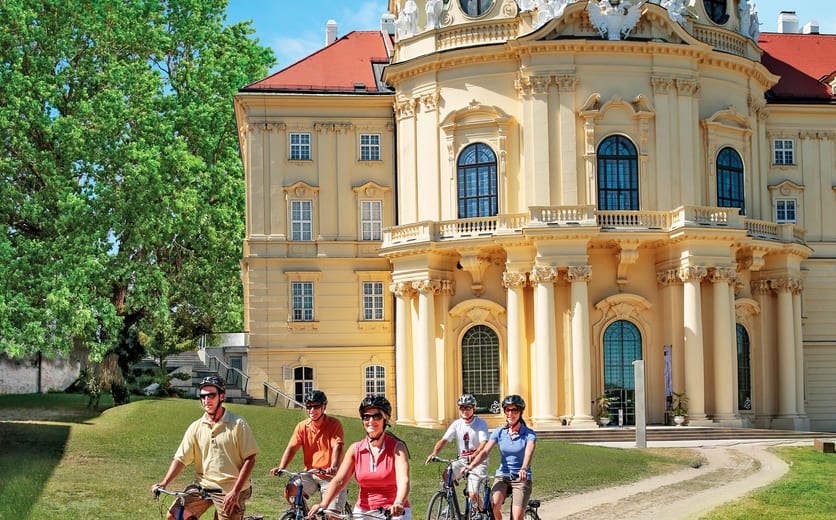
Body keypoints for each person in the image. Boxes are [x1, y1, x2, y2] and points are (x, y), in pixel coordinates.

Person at [152, 375, 259, 520]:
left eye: (211, 395)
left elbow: (250, 459)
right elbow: (181, 459)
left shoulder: (237, 424)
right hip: (203, 486)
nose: (206, 400)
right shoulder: (196, 427)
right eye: (203, 396)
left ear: (221, 396)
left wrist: (235, 491)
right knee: (173, 516)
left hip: (231, 487)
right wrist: (164, 482)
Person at [309, 395, 411, 520]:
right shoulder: (356, 449)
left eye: (377, 416)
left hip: (393, 511)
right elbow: (339, 480)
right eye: (366, 416)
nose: (371, 420)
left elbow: (403, 480)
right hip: (363, 511)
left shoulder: (397, 448)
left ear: (385, 419)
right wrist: (323, 504)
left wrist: (399, 502)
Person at [270, 390, 347, 512]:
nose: (312, 410)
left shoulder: (334, 424)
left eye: (316, 406)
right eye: (309, 406)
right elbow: (292, 448)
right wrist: (281, 466)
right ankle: (309, 515)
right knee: (291, 490)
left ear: (324, 407)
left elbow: (337, 447)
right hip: (311, 473)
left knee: (332, 515)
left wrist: (333, 466)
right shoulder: (302, 426)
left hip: (332, 476)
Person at [466, 395, 536, 520]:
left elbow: (529, 452)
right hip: (502, 476)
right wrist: (471, 466)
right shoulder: (500, 432)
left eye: (514, 410)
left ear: (520, 412)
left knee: (516, 517)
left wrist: (524, 468)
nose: (510, 413)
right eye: (507, 410)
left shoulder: (529, 434)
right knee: (492, 506)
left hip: (521, 478)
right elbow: (485, 451)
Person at [425, 394, 489, 506]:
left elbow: (484, 442)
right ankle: (452, 507)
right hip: (462, 460)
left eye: (468, 407)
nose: (465, 410)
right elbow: (443, 440)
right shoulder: (457, 424)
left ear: (474, 408)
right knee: (446, 474)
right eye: (462, 407)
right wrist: (434, 453)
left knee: (473, 494)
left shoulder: (480, 423)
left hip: (479, 461)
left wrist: (475, 454)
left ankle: (481, 513)